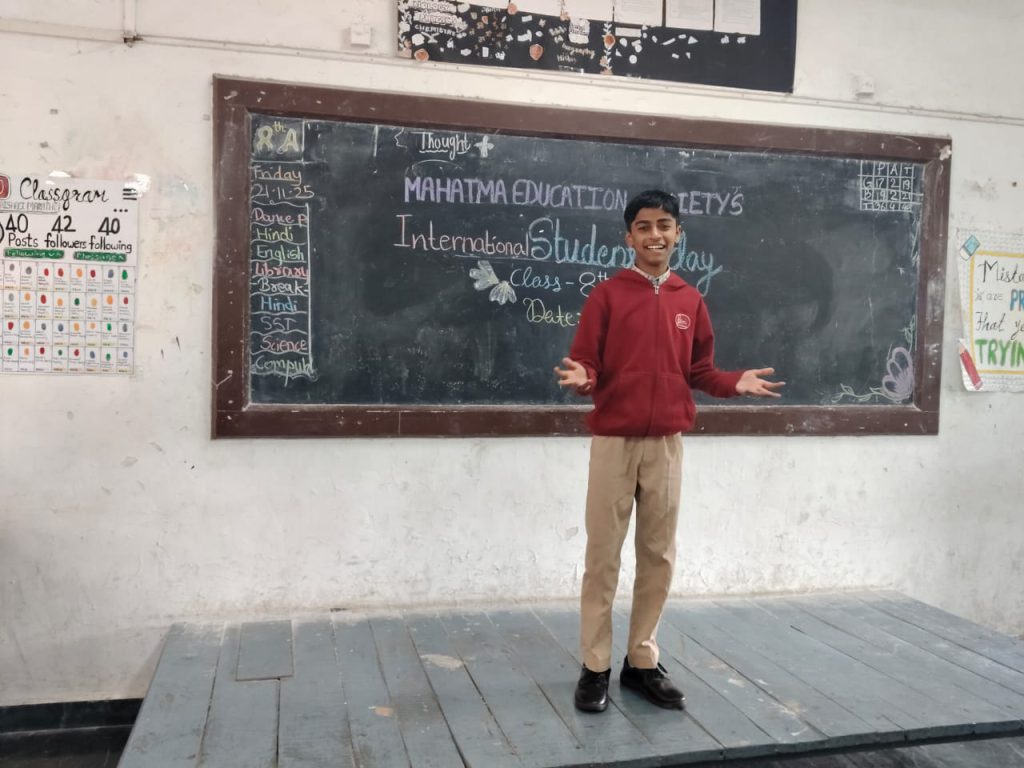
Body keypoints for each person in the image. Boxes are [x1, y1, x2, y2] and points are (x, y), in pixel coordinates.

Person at [554, 189, 783, 713]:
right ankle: (595, 665)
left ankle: (641, 661)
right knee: (602, 556)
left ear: (678, 233)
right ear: (628, 237)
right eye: (643, 226)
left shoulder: (689, 300)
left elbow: (700, 371)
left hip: (666, 446)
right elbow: (587, 364)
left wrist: (733, 382)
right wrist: (582, 376)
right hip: (614, 443)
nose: (654, 235)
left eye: (664, 225)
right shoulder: (607, 296)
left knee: (658, 555)